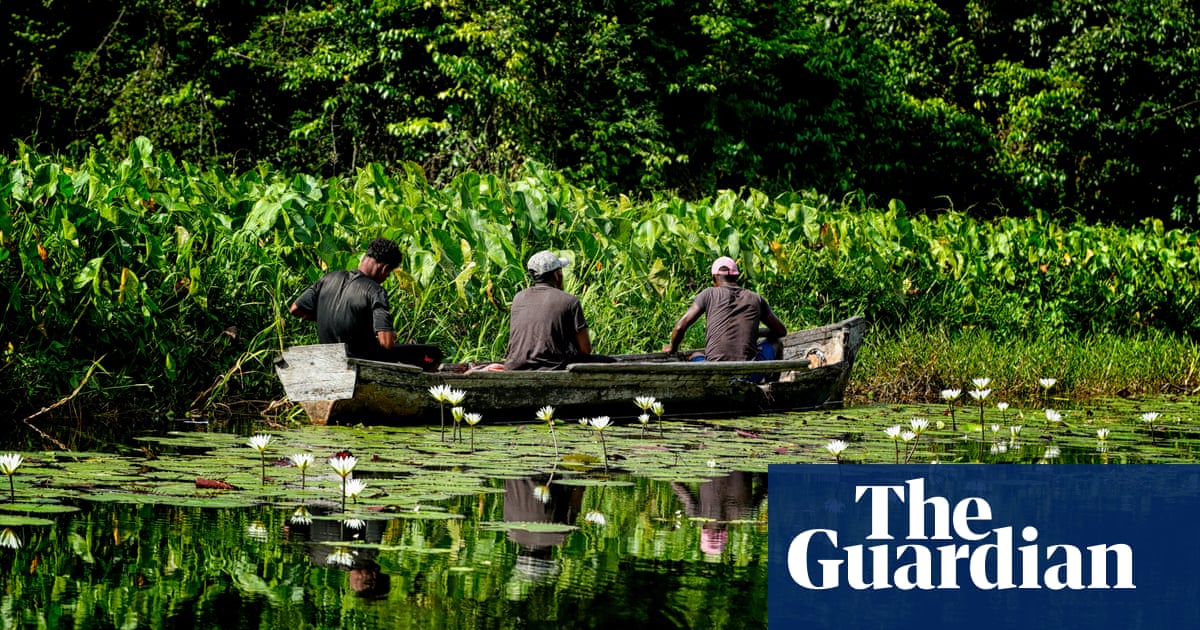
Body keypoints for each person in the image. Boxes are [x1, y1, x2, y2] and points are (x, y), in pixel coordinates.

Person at [290, 237, 442, 371]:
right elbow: (387, 343)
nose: (385, 278)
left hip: (330, 357)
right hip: (361, 359)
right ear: (384, 268)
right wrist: (388, 334)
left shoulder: (328, 278)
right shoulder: (375, 291)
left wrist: (333, 319)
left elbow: (295, 309)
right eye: (388, 275)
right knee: (433, 353)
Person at [663, 256, 787, 366]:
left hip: (715, 373)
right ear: (737, 276)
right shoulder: (755, 298)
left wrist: (673, 349)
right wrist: (756, 332)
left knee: (695, 355)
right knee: (776, 342)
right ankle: (772, 386)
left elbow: (679, 327)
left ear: (714, 278)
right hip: (750, 374)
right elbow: (781, 331)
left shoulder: (709, 294)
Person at [504, 250, 613, 370]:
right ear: (556, 275)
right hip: (552, 368)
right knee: (611, 361)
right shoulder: (570, 301)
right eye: (560, 271)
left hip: (515, 367)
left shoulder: (518, 298)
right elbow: (585, 349)